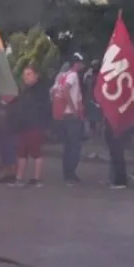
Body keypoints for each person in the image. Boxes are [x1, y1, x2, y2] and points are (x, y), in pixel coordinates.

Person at [9, 66, 50, 187]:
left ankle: (36, 179)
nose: (25, 77)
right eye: (24, 74)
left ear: (36, 75)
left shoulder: (40, 90)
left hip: (34, 125)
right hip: (22, 125)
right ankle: (19, 178)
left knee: (36, 152)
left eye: (29, 74)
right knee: (21, 152)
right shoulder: (25, 90)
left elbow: (43, 108)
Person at [51, 53, 86, 184]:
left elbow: (54, 92)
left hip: (62, 115)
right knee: (74, 146)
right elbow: (66, 90)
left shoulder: (62, 75)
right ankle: (71, 173)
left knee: (67, 146)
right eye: (81, 63)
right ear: (76, 64)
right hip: (71, 116)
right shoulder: (73, 75)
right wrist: (73, 108)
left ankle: (67, 173)